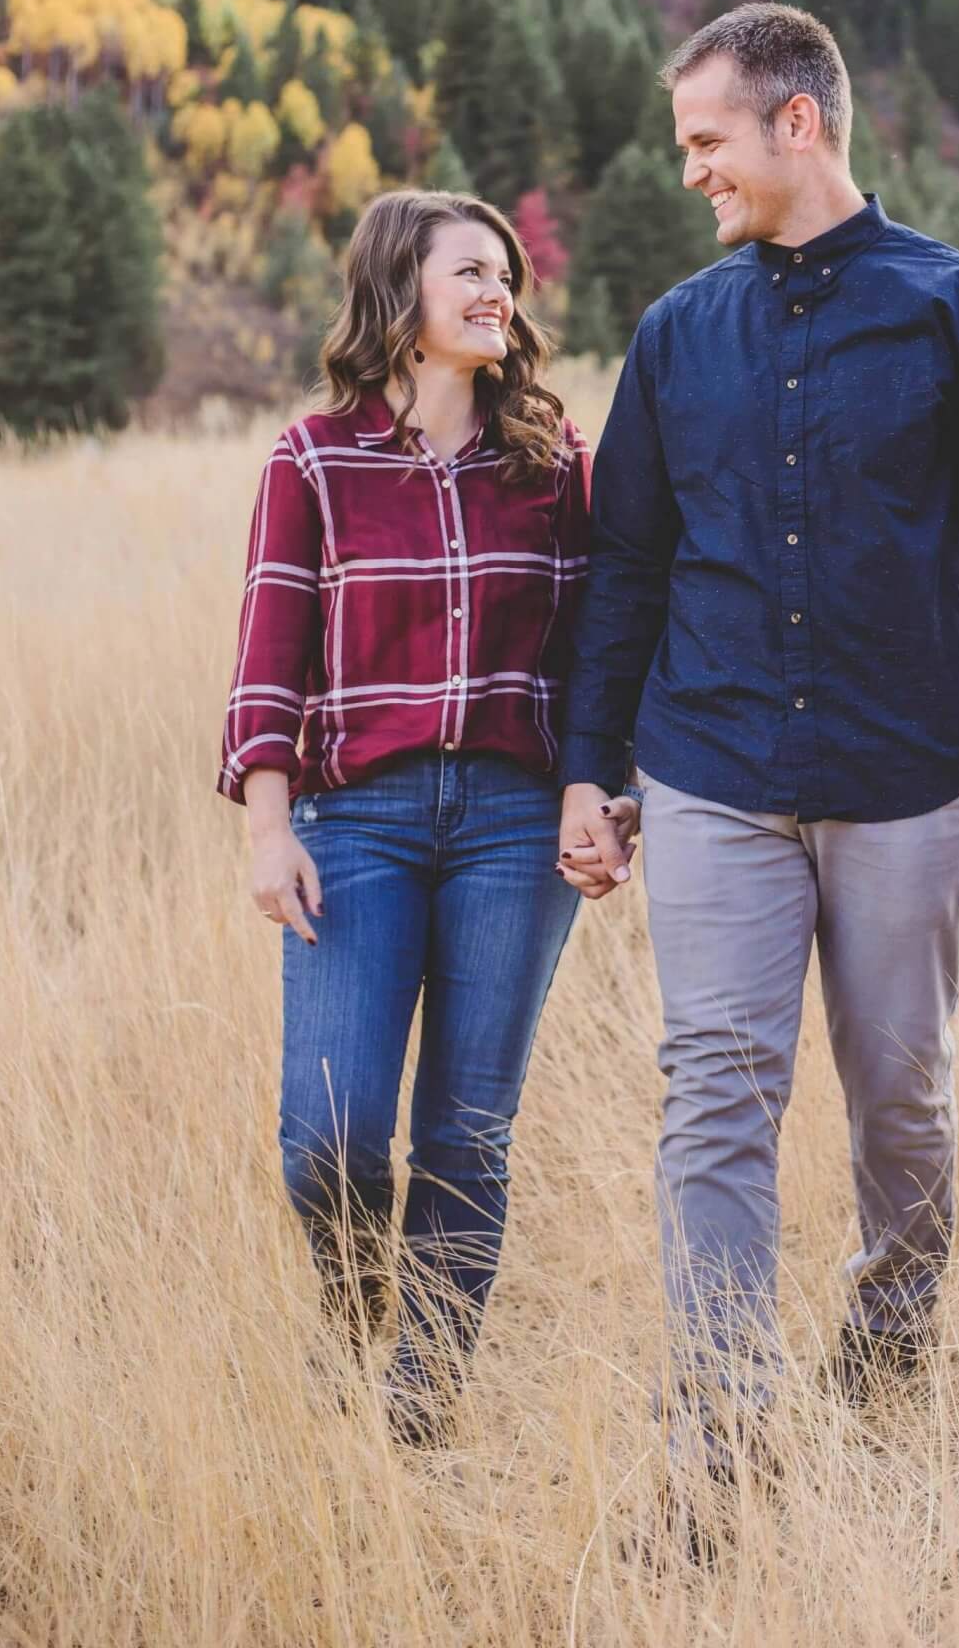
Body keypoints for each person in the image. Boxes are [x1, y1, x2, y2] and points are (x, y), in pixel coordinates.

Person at [556, 3, 959, 1467]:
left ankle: (888, 1347)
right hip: (712, 776)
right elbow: (626, 567)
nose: (693, 172)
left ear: (796, 122)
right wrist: (590, 765)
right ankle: (723, 1433)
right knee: (716, 1091)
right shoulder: (678, 337)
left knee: (903, 1100)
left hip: (905, 779)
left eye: (708, 140)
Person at [217, 189, 635, 1445]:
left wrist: (602, 793)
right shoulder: (314, 461)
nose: (498, 293)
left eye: (506, 275)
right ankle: (356, 1325)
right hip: (359, 824)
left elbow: (604, 651)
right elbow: (269, 656)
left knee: (467, 1130)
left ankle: (421, 1408)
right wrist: (267, 827)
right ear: (400, 290)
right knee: (329, 1139)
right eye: (469, 272)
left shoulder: (558, 466)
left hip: (516, 827)